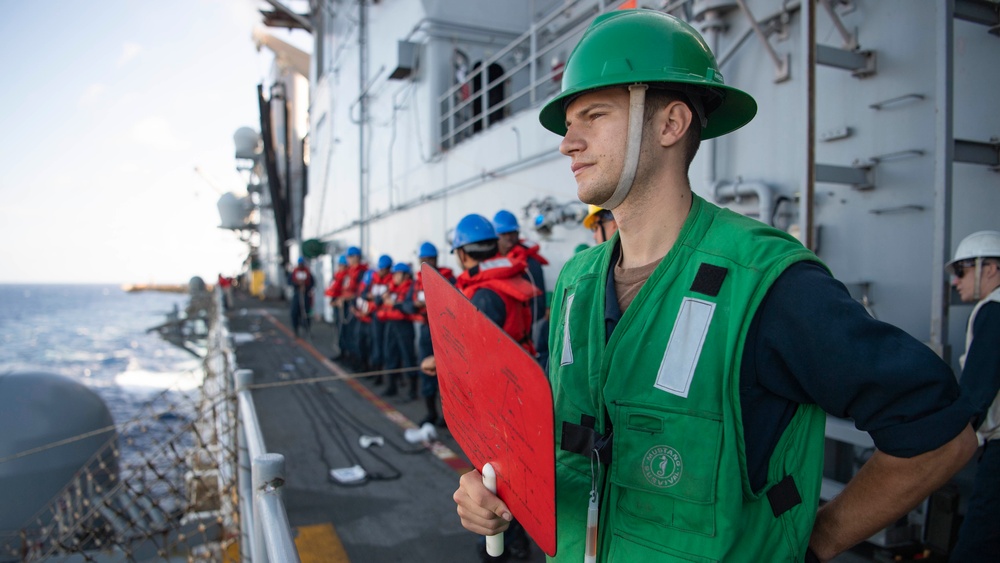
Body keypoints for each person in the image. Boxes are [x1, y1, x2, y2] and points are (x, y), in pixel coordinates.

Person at [453, 10, 977, 563]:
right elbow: (569, 444)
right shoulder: (578, 283)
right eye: (568, 124)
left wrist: (812, 542)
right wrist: (492, 491)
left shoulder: (766, 284)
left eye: (594, 115)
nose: (568, 143)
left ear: (670, 124)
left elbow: (940, 435)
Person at [449, 213, 541, 562]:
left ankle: (508, 545)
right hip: (522, 382)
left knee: (496, 477)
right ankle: (514, 542)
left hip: (497, 399)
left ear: (462, 253)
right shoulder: (516, 277)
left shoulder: (484, 294)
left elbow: (475, 358)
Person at [946, 230, 1000, 562]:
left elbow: (978, 390)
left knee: (978, 545)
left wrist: (948, 444)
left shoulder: (993, 310)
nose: (956, 282)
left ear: (991, 267)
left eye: (962, 271)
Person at [412, 242, 456, 426]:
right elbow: (407, 303)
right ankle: (431, 413)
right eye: (424, 259)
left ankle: (450, 418)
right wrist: (416, 305)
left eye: (430, 259)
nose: (427, 262)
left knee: (447, 376)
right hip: (425, 331)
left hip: (444, 332)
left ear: (436, 259)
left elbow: (455, 303)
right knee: (426, 372)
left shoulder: (448, 279)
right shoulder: (416, 283)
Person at [492, 210, 548, 329]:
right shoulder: (490, 263)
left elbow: (538, 305)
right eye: (503, 233)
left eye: (512, 232)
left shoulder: (531, 265)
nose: (508, 237)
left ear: (518, 233)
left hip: (525, 328)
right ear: (495, 236)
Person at [379, 262, 420, 400]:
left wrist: (394, 304)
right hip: (391, 324)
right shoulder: (392, 288)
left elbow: (409, 307)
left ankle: (412, 390)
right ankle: (392, 386)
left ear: (406, 275)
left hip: (404, 325)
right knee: (390, 354)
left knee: (408, 356)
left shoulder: (410, 288)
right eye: (394, 273)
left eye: (398, 273)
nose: (394, 276)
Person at [324, 254, 350, 360]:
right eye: (339, 265)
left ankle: (345, 353)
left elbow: (346, 291)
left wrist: (339, 300)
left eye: (342, 265)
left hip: (344, 307)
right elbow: (332, 288)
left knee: (344, 330)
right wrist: (332, 301)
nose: (340, 267)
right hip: (336, 306)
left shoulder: (347, 277)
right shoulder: (336, 275)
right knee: (338, 329)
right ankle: (341, 351)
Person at [288, 257, 315, 337]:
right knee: (294, 313)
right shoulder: (294, 272)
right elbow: (289, 282)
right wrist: (297, 285)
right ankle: (295, 330)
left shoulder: (308, 273)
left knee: (307, 313)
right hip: (297, 295)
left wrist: (306, 287)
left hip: (305, 295)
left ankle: (307, 329)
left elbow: (312, 283)